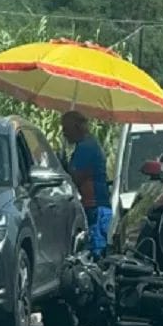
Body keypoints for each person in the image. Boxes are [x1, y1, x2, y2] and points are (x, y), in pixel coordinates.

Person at [62, 110, 112, 259]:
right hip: (97, 204)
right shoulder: (89, 144)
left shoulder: (86, 147)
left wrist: (63, 167)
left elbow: (75, 177)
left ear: (76, 127)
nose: (64, 133)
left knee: (95, 250)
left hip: (94, 205)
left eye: (66, 128)